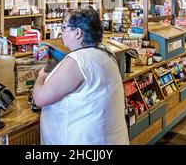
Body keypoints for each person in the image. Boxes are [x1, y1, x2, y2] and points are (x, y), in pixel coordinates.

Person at [32, 8, 129, 145]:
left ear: (78, 33)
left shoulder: (78, 60)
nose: (61, 32)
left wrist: (41, 77)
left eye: (64, 27)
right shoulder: (105, 52)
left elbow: (39, 99)